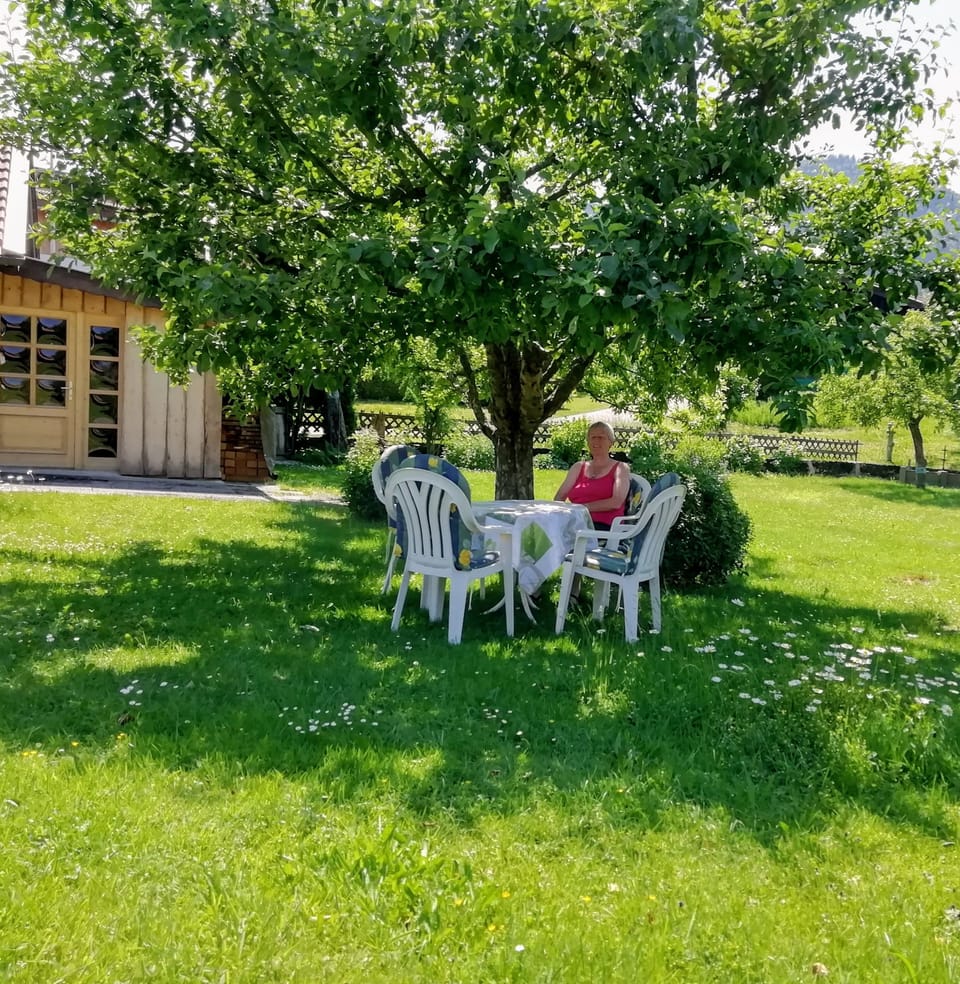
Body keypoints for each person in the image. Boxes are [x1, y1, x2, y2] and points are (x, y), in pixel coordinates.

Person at [554, 420, 630, 530]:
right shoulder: (578, 467)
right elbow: (559, 497)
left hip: (603, 527)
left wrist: (583, 508)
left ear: (611, 442)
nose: (596, 441)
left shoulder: (620, 468)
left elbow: (616, 502)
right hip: (576, 522)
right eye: (593, 437)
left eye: (601, 437)